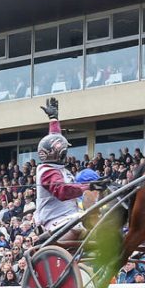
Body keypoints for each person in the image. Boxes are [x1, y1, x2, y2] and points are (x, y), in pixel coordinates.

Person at [34, 97, 106, 240]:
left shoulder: (54, 167)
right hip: (57, 221)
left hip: (67, 218)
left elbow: (54, 139)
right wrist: (89, 186)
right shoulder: (48, 172)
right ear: (61, 154)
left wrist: (54, 119)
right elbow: (63, 192)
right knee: (87, 224)